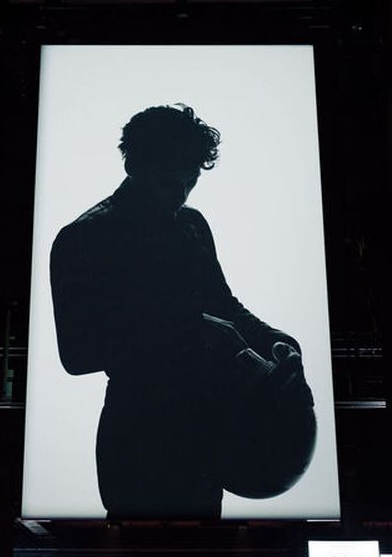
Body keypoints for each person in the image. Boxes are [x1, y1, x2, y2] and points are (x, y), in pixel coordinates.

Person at [49, 104, 313, 518]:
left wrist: (279, 341)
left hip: (205, 435)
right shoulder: (83, 238)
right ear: (134, 166)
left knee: (204, 555)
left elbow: (225, 307)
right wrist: (192, 329)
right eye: (168, 183)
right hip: (136, 440)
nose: (181, 195)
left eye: (190, 183)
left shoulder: (191, 226)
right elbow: (77, 355)